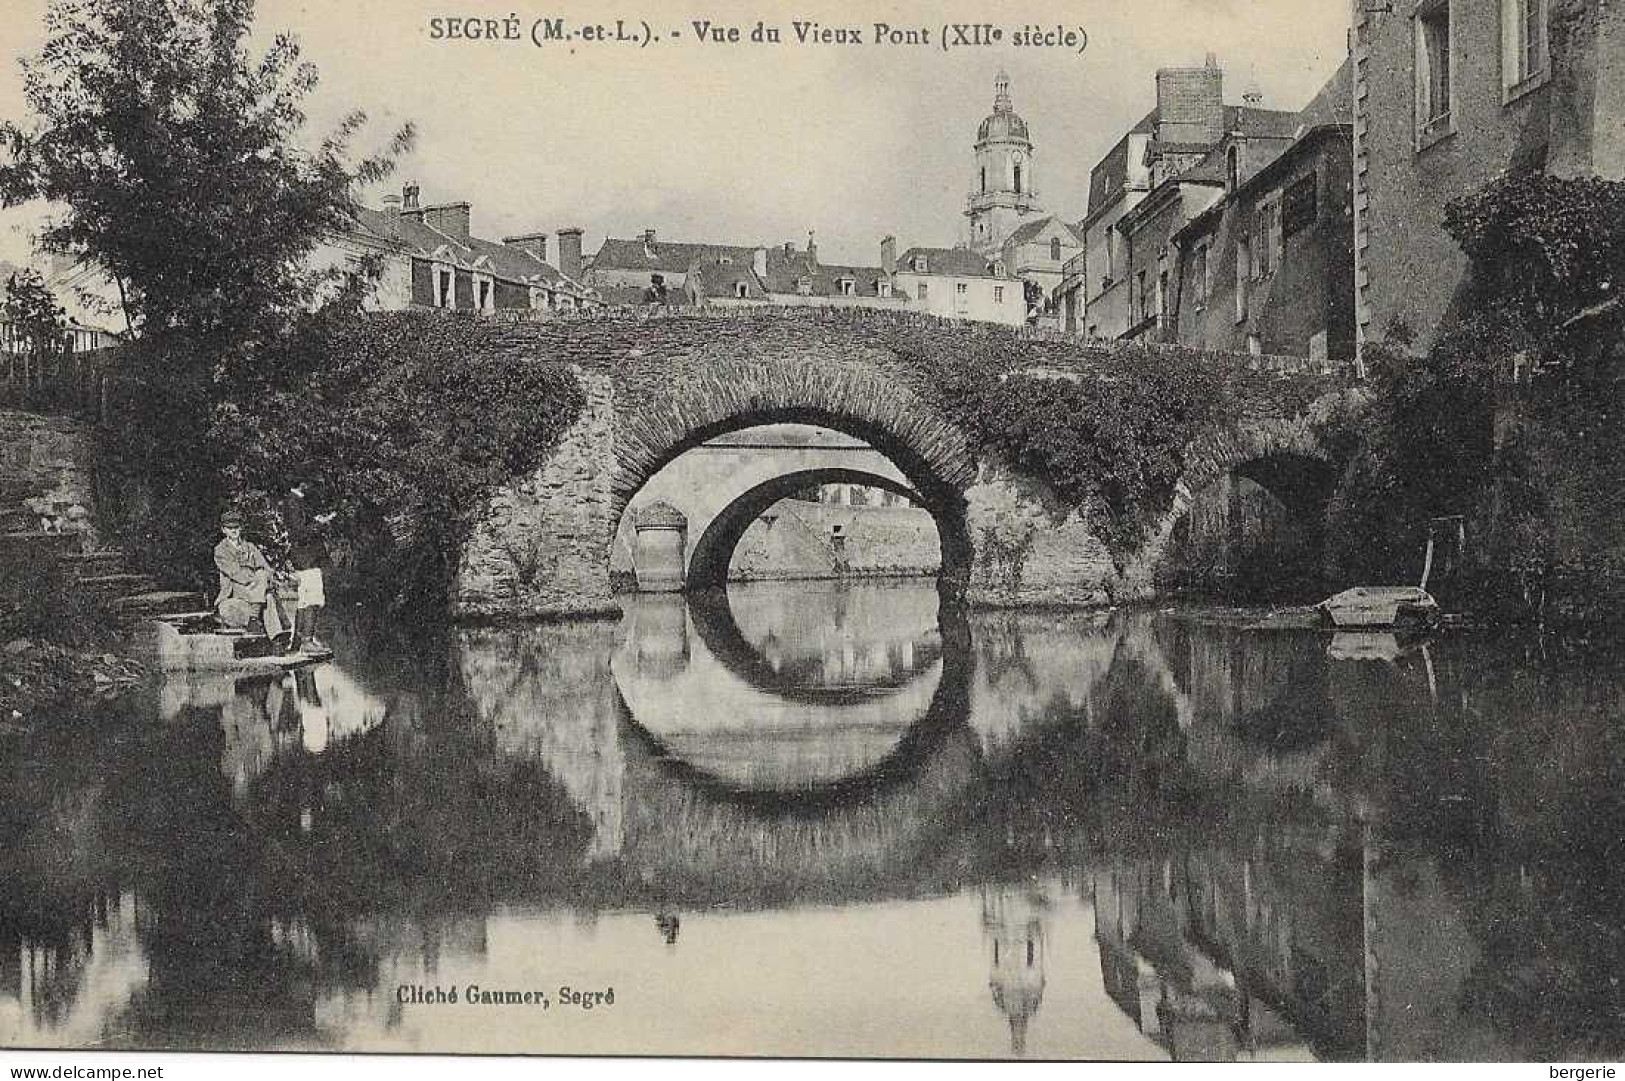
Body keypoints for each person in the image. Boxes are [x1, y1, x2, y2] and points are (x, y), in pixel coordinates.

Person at [214, 510, 288, 642]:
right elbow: (235, 573)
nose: (233, 531)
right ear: (223, 530)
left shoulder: (250, 547)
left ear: (241, 528)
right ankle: (276, 636)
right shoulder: (221, 550)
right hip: (235, 589)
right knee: (264, 587)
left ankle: (267, 631)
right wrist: (257, 579)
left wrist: (261, 578)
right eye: (229, 528)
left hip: (253, 589)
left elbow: (266, 568)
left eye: (236, 527)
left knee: (268, 592)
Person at [279, 479, 334, 654]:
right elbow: (300, 533)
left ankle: (299, 641)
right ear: (303, 483)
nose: (313, 487)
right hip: (306, 558)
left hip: (306, 557)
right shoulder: (293, 502)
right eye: (311, 483)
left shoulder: (296, 501)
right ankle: (306, 641)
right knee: (312, 598)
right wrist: (320, 523)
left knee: (305, 599)